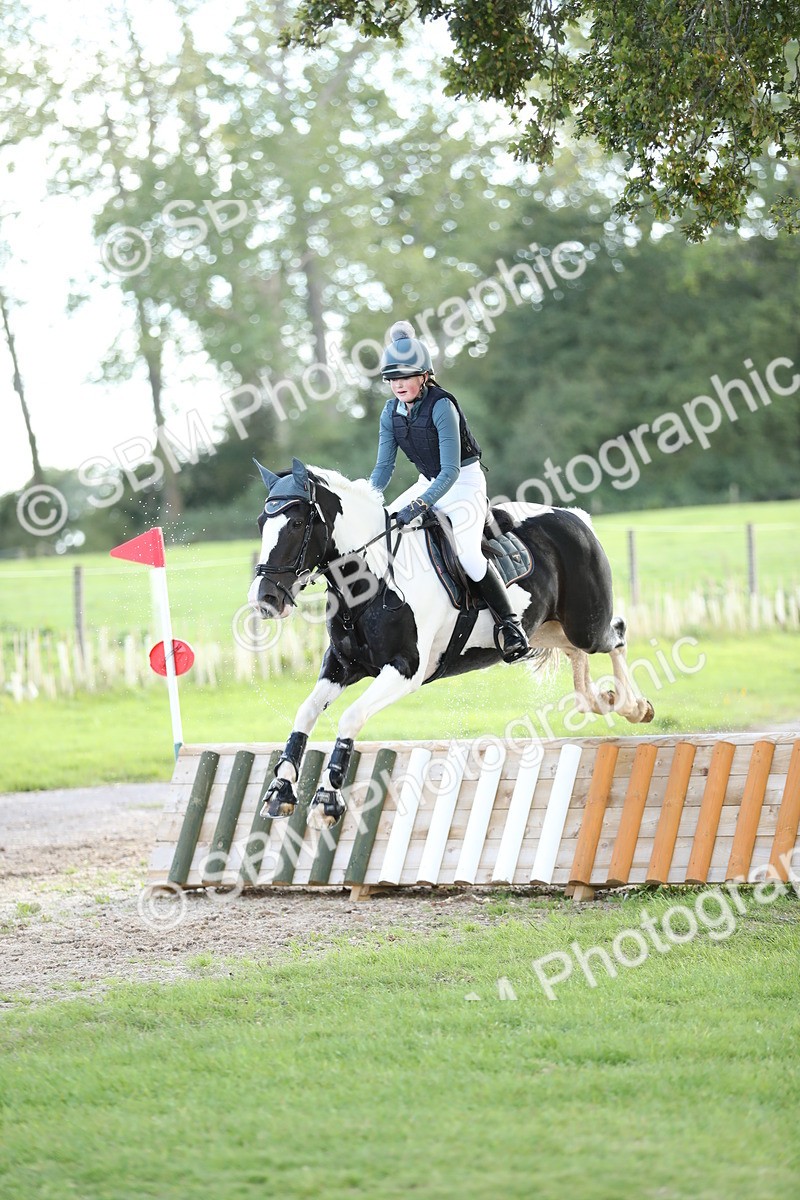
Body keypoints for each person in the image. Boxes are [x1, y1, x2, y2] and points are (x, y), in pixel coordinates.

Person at [369, 320, 530, 663]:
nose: (398, 385)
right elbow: (384, 468)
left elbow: (451, 470)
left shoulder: (443, 406)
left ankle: (510, 625)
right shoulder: (390, 412)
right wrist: (366, 498)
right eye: (393, 379)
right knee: (381, 532)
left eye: (406, 377)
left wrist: (418, 504)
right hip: (428, 482)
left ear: (424, 376)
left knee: (469, 556)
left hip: (463, 483)